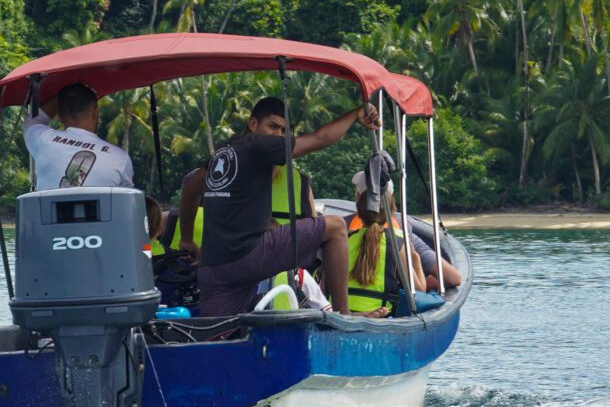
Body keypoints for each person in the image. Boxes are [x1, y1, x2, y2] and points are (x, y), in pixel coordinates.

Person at [178, 98, 380, 316]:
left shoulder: (225, 150)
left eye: (284, 131)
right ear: (253, 124)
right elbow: (320, 138)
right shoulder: (259, 146)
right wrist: (354, 114)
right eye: (273, 126)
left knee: (221, 330)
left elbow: (190, 184)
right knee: (337, 227)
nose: (279, 136)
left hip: (214, 268)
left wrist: (187, 239)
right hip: (247, 255)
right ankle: (344, 314)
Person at [345, 160, 423, 318]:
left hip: (342, 312)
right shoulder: (398, 240)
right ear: (392, 209)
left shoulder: (344, 238)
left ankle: (355, 315)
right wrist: (416, 261)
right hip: (383, 313)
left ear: (358, 207)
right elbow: (419, 291)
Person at [22, 82, 133, 193]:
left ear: (59, 116)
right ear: (95, 112)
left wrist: (64, 94)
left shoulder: (43, 140)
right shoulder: (120, 159)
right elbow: (126, 201)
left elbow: (33, 120)